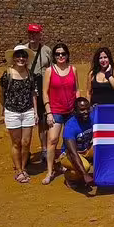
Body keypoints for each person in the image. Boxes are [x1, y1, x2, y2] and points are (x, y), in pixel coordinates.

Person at [0, 45, 38, 183]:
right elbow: (0, 93)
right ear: (14, 58)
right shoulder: (7, 74)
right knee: (16, 143)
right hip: (12, 112)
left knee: (26, 143)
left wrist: (35, 112)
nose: (21, 58)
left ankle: (23, 167)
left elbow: (33, 93)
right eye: (18, 56)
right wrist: (5, 107)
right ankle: (19, 170)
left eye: (24, 56)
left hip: (27, 111)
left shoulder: (30, 74)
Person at [42, 43, 80, 185]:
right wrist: (49, 112)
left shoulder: (73, 69)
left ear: (67, 55)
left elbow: (76, 89)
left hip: (71, 111)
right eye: (57, 54)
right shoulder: (50, 71)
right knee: (52, 140)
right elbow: (45, 93)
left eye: (63, 53)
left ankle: (66, 164)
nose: (60, 56)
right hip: (56, 110)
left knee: (69, 140)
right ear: (54, 56)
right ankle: (50, 171)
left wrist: (78, 107)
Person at [26, 23, 53, 162]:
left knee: (43, 121)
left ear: (40, 35)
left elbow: (51, 70)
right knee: (27, 121)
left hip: (43, 87)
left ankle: (44, 149)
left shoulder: (46, 50)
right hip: (28, 88)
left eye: (35, 33)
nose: (32, 36)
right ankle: (26, 151)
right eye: (30, 33)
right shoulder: (23, 50)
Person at [59, 97, 94, 189]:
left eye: (87, 108)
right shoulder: (70, 126)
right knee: (85, 167)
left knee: (102, 148)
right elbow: (73, 153)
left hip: (86, 150)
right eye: (82, 110)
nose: (86, 112)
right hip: (69, 154)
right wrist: (85, 174)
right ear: (75, 111)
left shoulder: (92, 118)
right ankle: (69, 177)